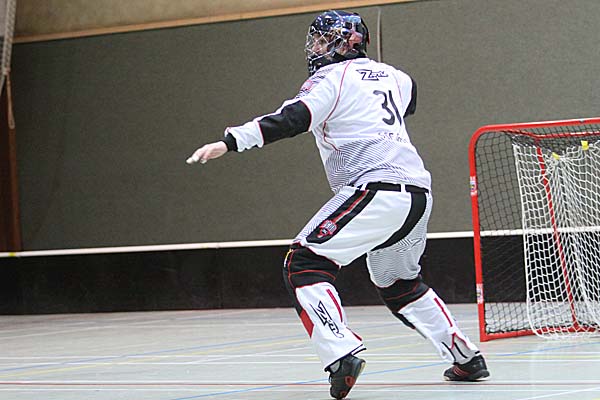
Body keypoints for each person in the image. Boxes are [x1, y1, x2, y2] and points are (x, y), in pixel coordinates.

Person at [187, 10, 490, 399]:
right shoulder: (395, 77)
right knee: (399, 283)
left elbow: (293, 118)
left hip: (375, 187)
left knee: (304, 263)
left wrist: (230, 141)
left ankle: (341, 351)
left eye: (320, 40)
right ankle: (466, 357)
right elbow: (409, 96)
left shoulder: (330, 78)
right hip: (417, 194)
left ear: (341, 44)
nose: (314, 48)